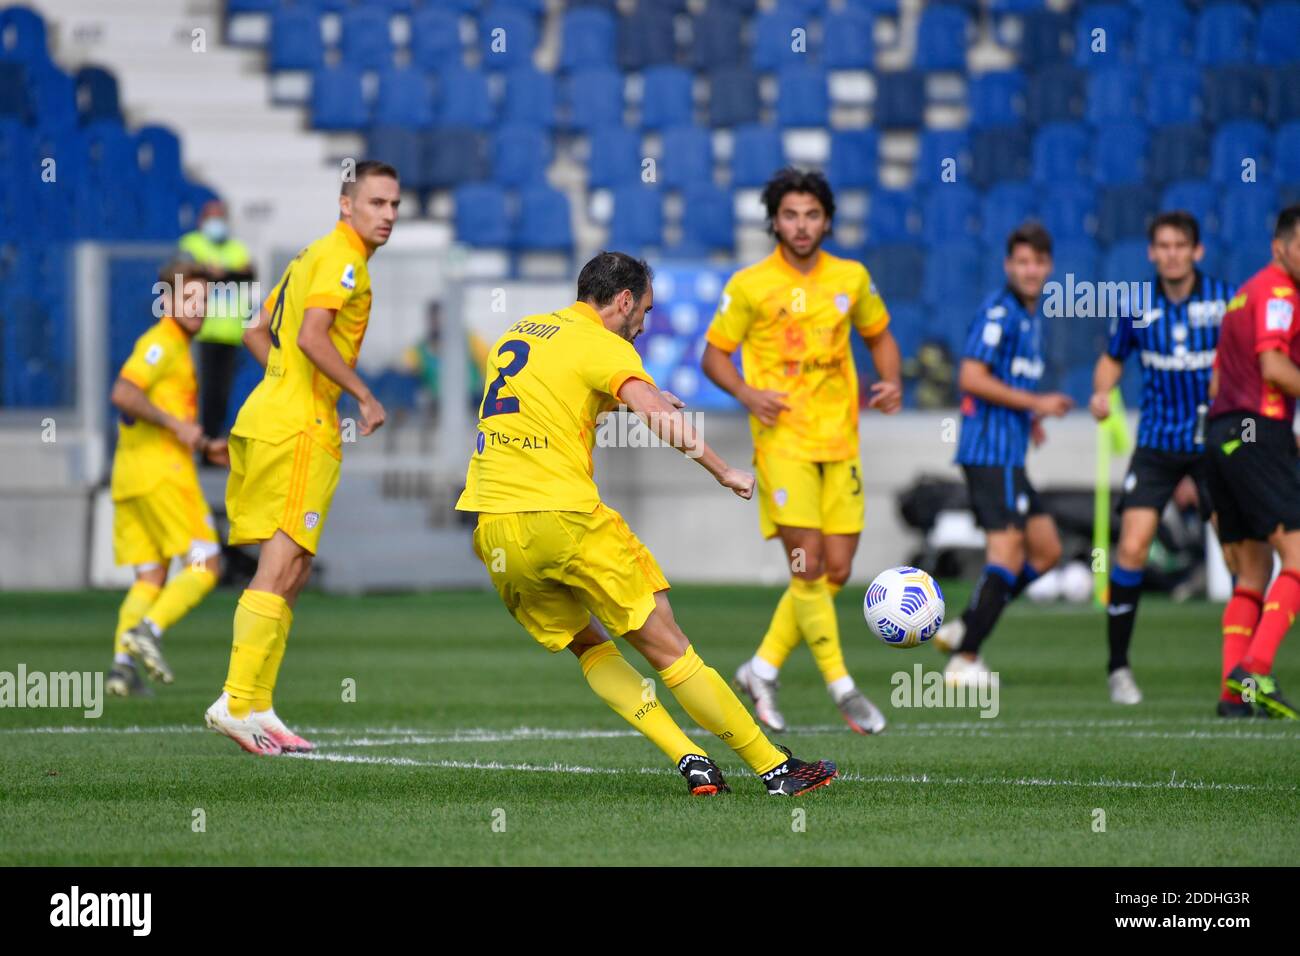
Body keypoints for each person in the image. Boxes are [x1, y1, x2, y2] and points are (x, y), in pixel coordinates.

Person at [455, 251, 838, 796]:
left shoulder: (522, 331)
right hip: (563, 518)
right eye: (646, 311)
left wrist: (630, 401)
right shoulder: (604, 345)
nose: (645, 324)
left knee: (590, 646)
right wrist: (723, 469)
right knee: (668, 647)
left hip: (493, 528)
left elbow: (548, 403)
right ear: (624, 300)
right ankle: (775, 768)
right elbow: (658, 418)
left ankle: (690, 759)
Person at [204, 161, 399, 754]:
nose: (387, 215)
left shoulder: (310, 256)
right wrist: (362, 394)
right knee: (281, 562)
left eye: (394, 205)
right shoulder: (341, 259)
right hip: (298, 429)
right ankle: (235, 701)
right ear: (347, 206)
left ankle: (258, 705)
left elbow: (255, 331)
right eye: (376, 203)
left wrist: (288, 380)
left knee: (295, 567)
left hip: (285, 418)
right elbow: (313, 336)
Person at [700, 168, 902, 735]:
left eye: (812, 214)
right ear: (774, 220)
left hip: (841, 441)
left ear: (827, 219)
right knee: (806, 564)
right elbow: (714, 356)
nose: (802, 225)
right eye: (790, 214)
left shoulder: (852, 278)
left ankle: (760, 669)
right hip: (783, 442)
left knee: (835, 570)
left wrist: (891, 379)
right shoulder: (749, 285)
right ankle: (843, 685)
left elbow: (880, 335)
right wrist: (746, 391)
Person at [1088, 211, 1233, 705]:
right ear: (1151, 252)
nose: (1172, 254)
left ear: (1198, 251)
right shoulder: (1136, 307)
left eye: (1180, 245)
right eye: (1163, 246)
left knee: (1238, 556)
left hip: (1214, 445)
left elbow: (1244, 359)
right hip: (1156, 444)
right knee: (1130, 550)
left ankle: (1243, 671)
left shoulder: (1223, 302)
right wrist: (1102, 393)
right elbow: (1111, 358)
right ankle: (1118, 668)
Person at [933, 223, 1073, 686]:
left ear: (1048, 267)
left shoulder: (1032, 316)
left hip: (1009, 453)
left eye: (1037, 262)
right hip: (990, 453)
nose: (1030, 270)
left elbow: (1004, 382)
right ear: (1008, 265)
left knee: (1048, 550)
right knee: (1008, 553)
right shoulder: (999, 312)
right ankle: (966, 656)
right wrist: (1035, 404)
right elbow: (971, 377)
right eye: (1021, 262)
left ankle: (968, 625)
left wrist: (1028, 420)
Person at [106, 262, 228, 697]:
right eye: (189, 299)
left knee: (150, 577)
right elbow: (123, 392)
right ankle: (150, 631)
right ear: (167, 300)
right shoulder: (162, 344)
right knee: (206, 563)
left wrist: (200, 442)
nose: (198, 309)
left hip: (129, 476)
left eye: (204, 301)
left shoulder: (174, 347)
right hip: (163, 474)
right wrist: (177, 428)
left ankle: (122, 667)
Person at [1204, 204, 1300, 719]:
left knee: (1253, 569)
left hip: (1223, 436)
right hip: (1256, 432)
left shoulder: (1244, 293)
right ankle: (1255, 670)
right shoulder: (1281, 293)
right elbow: (1274, 366)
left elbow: (1219, 381)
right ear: (1279, 247)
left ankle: (1232, 695)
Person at [179, 200, 256, 443]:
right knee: (201, 391)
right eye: (212, 218)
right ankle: (199, 441)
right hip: (201, 331)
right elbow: (184, 269)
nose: (217, 224)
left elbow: (248, 272)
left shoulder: (236, 248)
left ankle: (212, 441)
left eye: (221, 218)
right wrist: (220, 272)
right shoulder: (192, 243)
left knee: (222, 394)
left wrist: (221, 273)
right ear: (202, 220)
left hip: (230, 332)